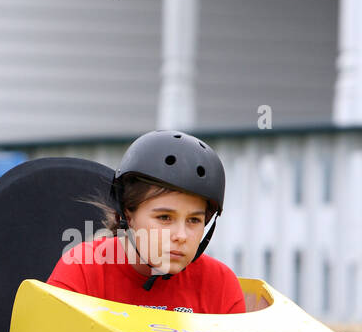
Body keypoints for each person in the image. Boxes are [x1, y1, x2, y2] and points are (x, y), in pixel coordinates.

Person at [48, 130, 246, 314]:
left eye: (194, 220)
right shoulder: (82, 270)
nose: (181, 236)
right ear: (127, 214)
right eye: (165, 217)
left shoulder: (220, 284)